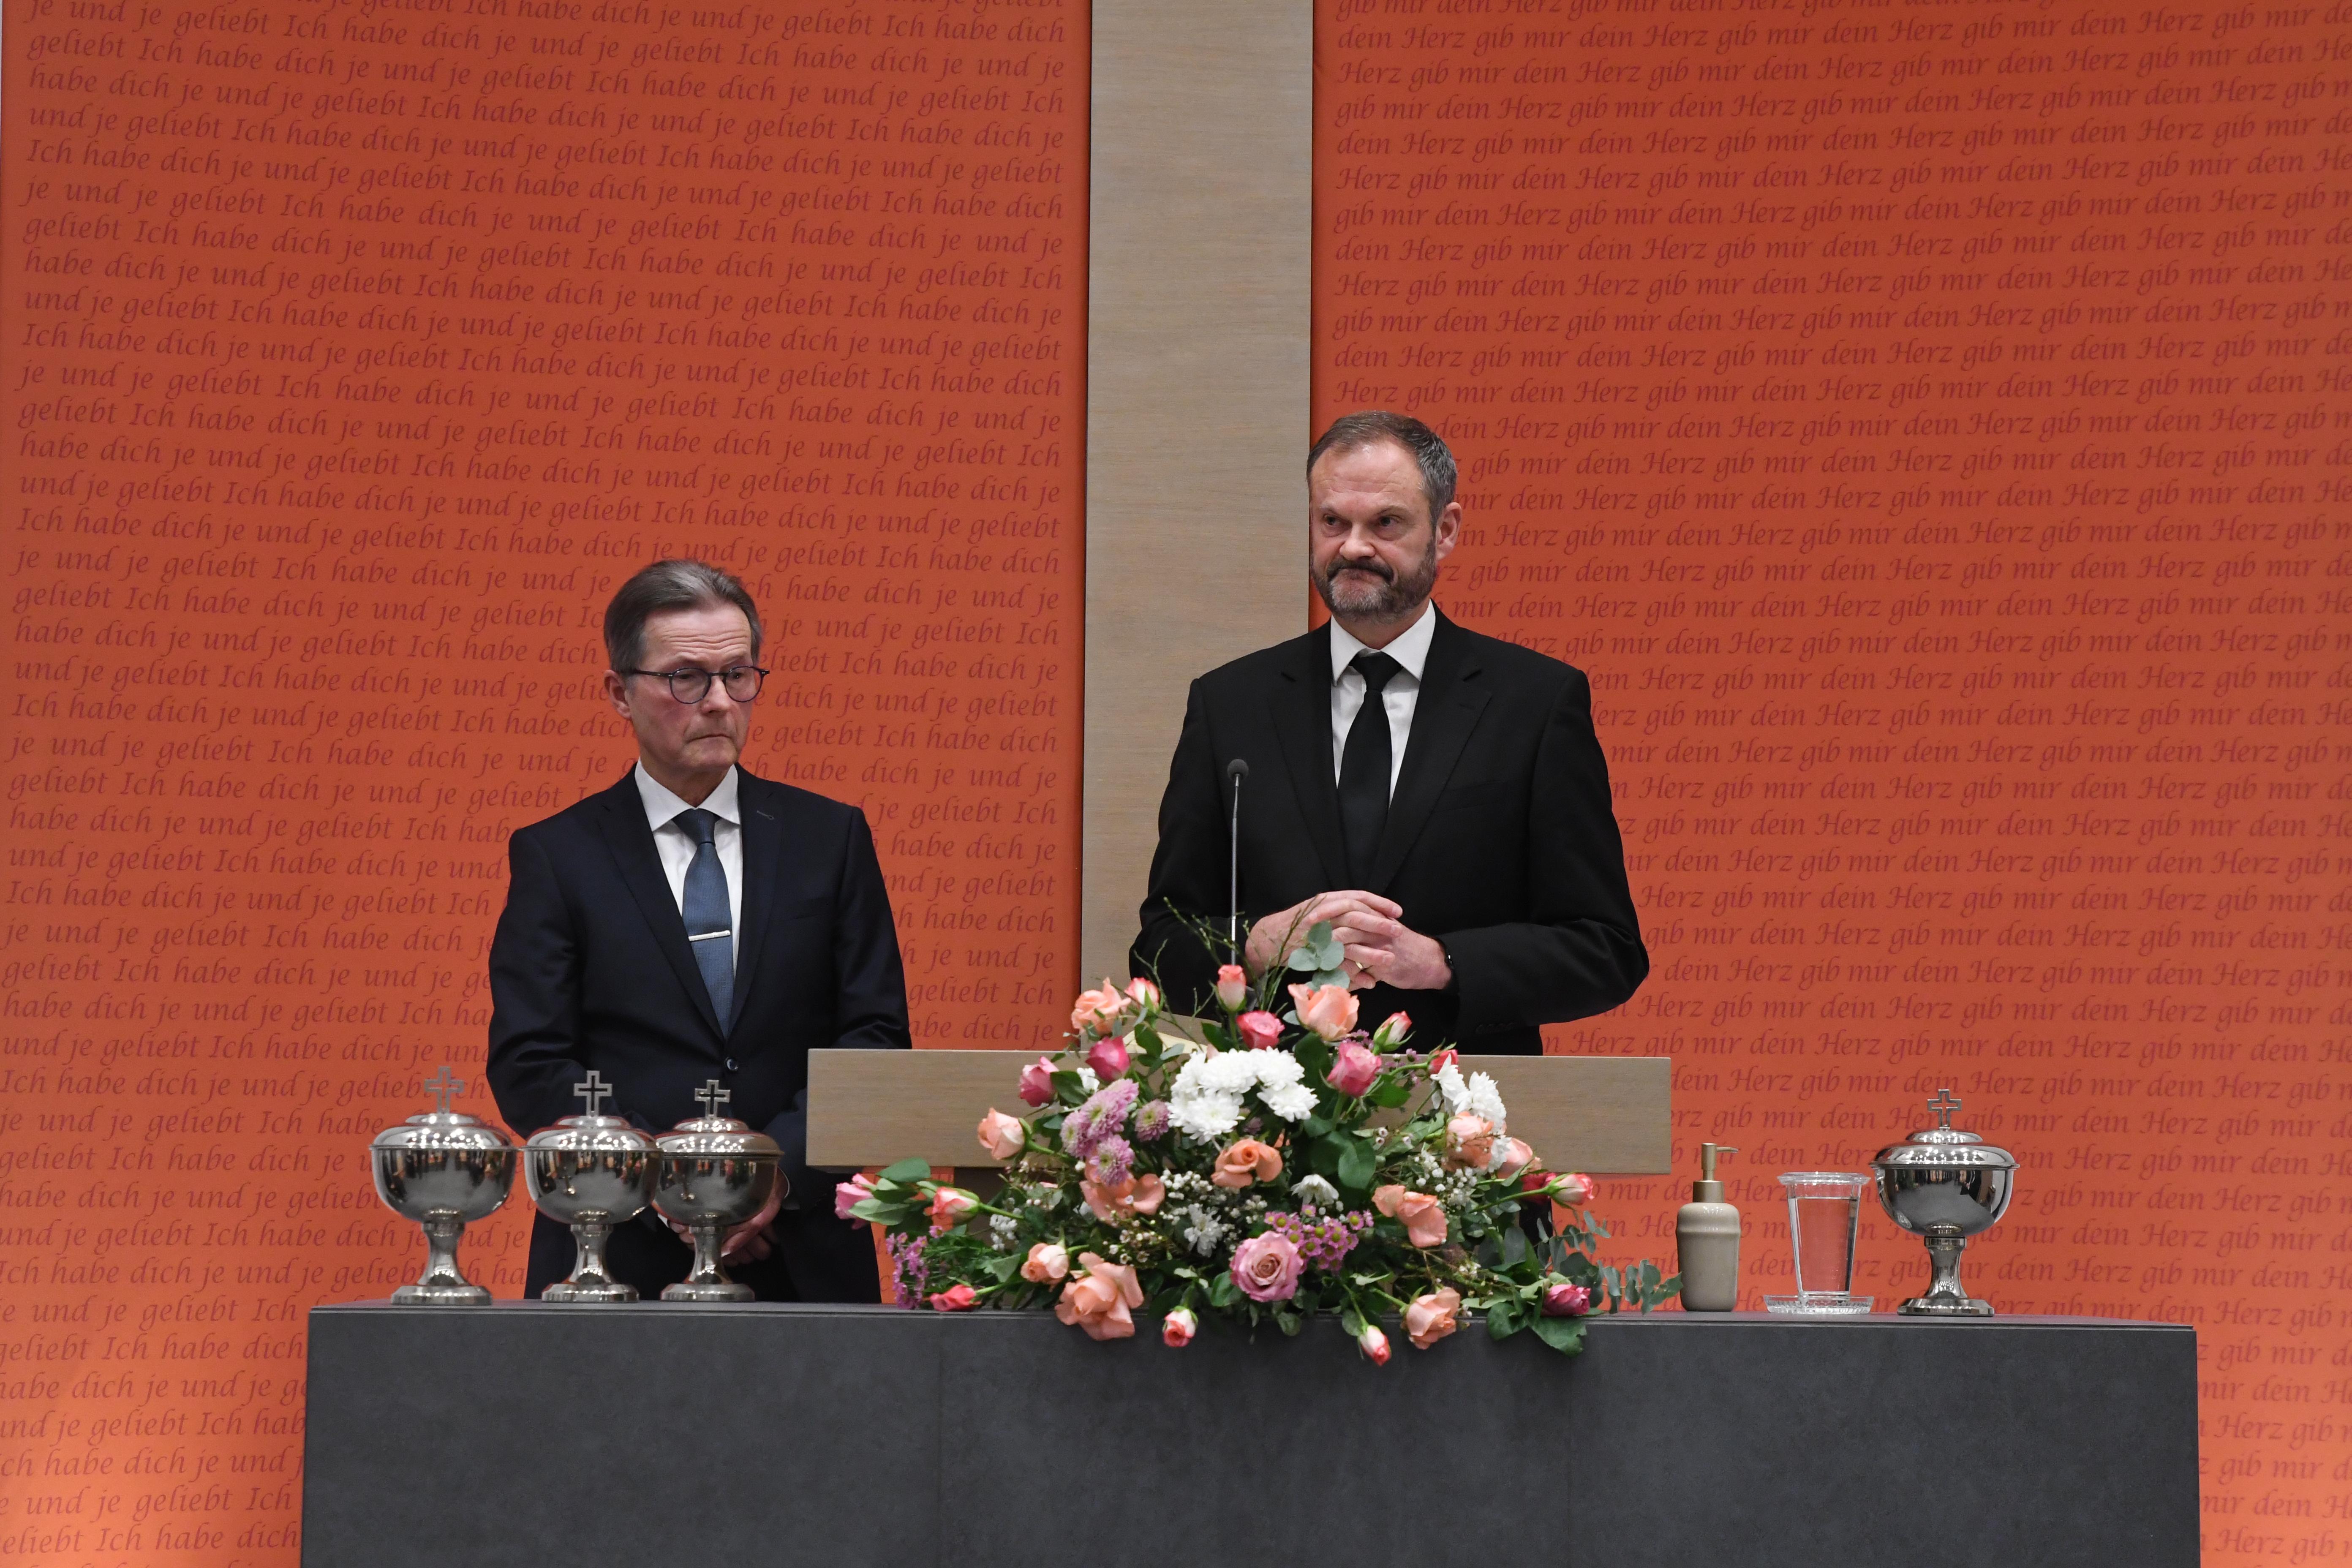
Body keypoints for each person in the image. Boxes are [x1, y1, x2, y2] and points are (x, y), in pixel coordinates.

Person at [1132, 411, 1647, 1054]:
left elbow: (1605, 949)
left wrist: (1443, 962)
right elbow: (1159, 947)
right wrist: (1255, 947)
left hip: (1465, 1101)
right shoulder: (1231, 704)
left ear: (1445, 530)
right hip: (1273, 1103)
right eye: (1332, 522)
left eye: (1385, 523)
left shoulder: (1535, 704)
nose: (1353, 548)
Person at [487, 559, 909, 1301]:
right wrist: (670, 1180)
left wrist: (771, 1178)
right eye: (686, 678)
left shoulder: (830, 839)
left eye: (737, 675)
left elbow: (875, 1040)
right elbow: (531, 1061)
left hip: (803, 1252)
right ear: (620, 692)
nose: (718, 702)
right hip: (615, 1251)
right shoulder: (559, 854)